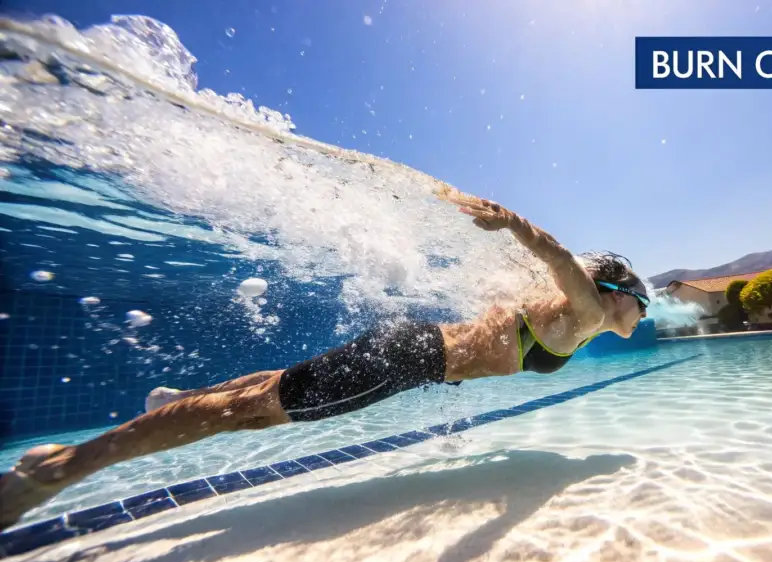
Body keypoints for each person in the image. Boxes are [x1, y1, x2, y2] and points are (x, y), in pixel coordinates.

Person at [0, 184, 649, 531]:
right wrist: (511, 222)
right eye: (641, 303)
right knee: (246, 413)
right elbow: (560, 259)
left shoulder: (570, 320)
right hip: (406, 360)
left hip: (412, 347)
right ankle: (59, 467)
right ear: (615, 292)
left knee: (265, 387)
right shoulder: (588, 311)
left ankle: (176, 401)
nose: (643, 315)